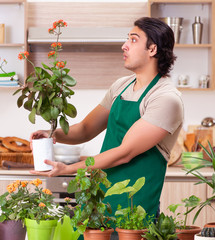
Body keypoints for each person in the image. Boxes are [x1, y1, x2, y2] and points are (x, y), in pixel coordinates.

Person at [30, 17, 184, 226]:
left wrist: (68, 168)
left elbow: (124, 153)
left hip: (134, 211)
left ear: (152, 49)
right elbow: (85, 129)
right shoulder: (121, 86)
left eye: (133, 39)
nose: (124, 45)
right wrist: (53, 134)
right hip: (99, 203)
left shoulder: (165, 98)